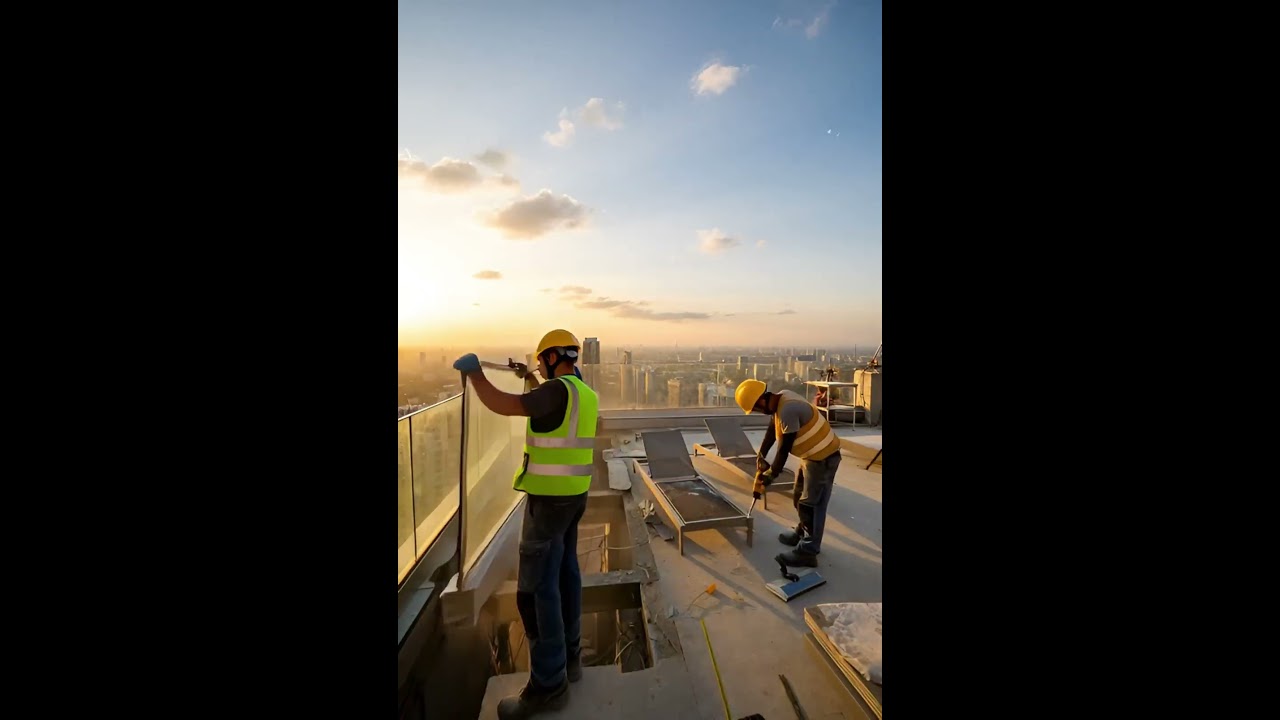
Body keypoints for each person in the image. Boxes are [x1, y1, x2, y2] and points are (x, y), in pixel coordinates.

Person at [452, 329, 598, 720]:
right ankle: (571, 662)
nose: (539, 368)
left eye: (540, 362)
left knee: (535, 593)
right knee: (566, 575)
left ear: (551, 357)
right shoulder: (583, 392)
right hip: (574, 497)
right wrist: (529, 377)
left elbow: (507, 405)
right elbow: (549, 407)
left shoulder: (556, 391)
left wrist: (477, 376)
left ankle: (549, 686)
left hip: (548, 502)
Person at [734, 379, 842, 569]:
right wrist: (761, 453)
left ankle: (808, 551)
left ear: (761, 400)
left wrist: (768, 477)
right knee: (799, 497)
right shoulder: (781, 399)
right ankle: (802, 532)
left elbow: (783, 450)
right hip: (811, 456)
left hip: (823, 459)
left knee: (811, 506)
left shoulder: (788, 410)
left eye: (756, 408)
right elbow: (772, 428)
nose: (759, 412)